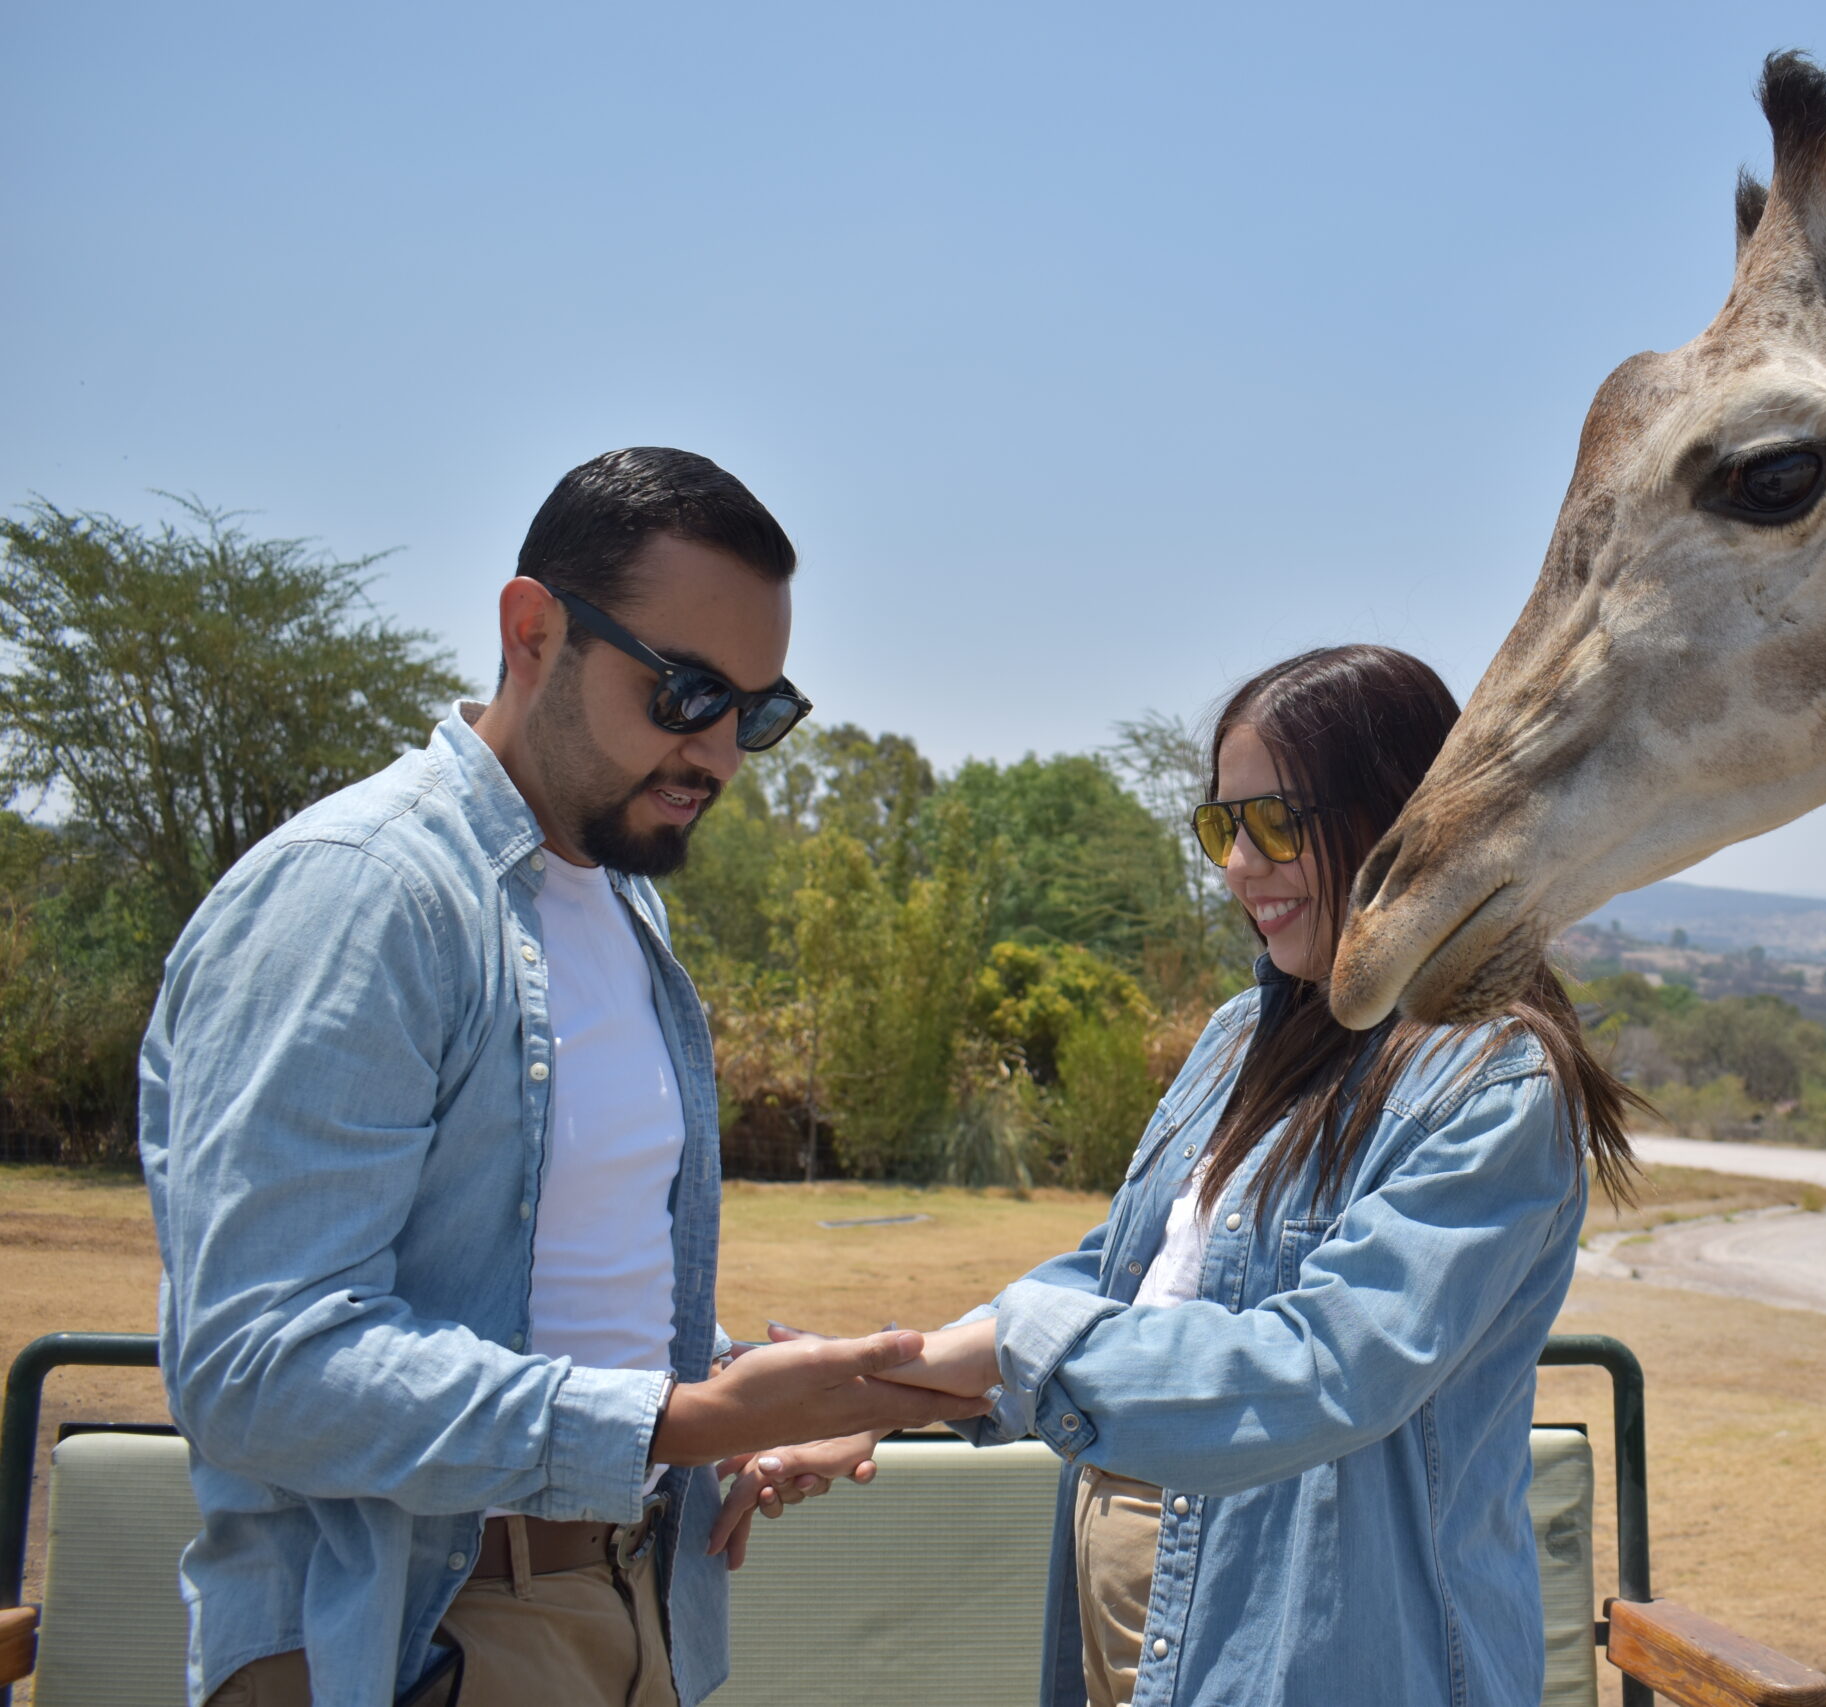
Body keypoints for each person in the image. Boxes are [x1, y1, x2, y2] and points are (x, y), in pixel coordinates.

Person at [139, 448, 985, 1707]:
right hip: (413, 1625)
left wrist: (735, 1410)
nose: (719, 754)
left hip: (632, 1596)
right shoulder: (364, 894)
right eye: (686, 691)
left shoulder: (616, 909)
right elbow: (259, 1367)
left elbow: (554, 1302)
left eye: (757, 712)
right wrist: (676, 1424)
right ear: (533, 630)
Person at [720, 644, 1640, 1707]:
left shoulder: (1492, 1078)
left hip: (1325, 1654)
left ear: (1399, 817)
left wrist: (993, 1354)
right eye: (1219, 826)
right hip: (1143, 1622)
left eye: (1277, 824)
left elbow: (1324, 1369)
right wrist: (890, 1389)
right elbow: (1123, 1279)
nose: (1238, 864)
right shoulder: (1238, 1036)